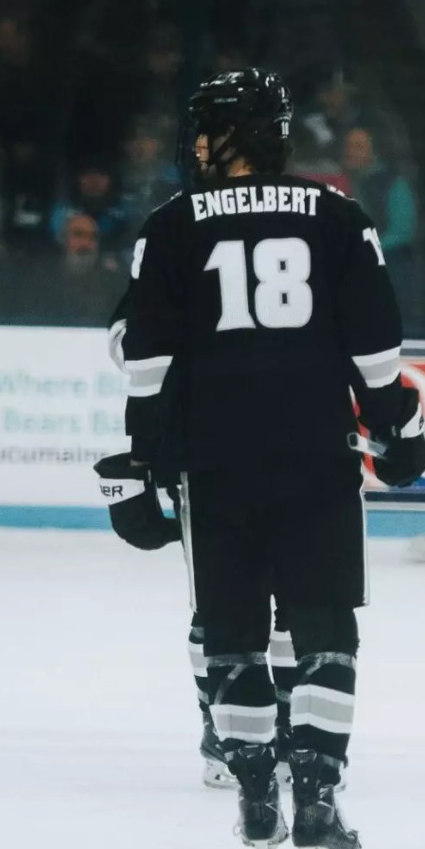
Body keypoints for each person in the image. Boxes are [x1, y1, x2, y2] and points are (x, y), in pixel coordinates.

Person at [97, 68, 425, 849]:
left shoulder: (172, 224)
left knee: (234, 637)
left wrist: (142, 459)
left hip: (215, 461)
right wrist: (396, 427)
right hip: (314, 454)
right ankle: (315, 794)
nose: (198, 145)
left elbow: (144, 359)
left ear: (233, 136)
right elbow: (376, 349)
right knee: (324, 630)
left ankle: (254, 792)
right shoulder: (338, 214)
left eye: (208, 130)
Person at [105, 292, 315, 794]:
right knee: (222, 604)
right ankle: (225, 726)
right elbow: (125, 342)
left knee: (293, 603)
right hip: (205, 452)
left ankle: (285, 728)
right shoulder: (178, 250)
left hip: (289, 447)